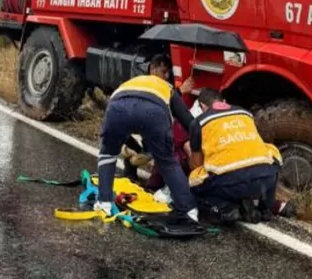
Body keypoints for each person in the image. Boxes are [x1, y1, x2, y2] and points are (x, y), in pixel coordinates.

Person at [96, 54, 199, 222]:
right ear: (152, 69)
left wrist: (123, 143)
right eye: (165, 72)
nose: (166, 76)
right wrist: (198, 144)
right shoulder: (167, 87)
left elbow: (112, 117)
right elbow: (189, 122)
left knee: (107, 156)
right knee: (167, 162)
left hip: (117, 106)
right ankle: (189, 211)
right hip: (154, 112)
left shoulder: (130, 82)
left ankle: (104, 204)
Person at [188, 88, 285, 224]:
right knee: (268, 153)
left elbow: (197, 164)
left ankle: (227, 208)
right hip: (266, 178)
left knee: (194, 182)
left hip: (230, 184)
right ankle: (265, 205)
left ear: (202, 106)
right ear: (224, 101)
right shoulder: (245, 114)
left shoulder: (199, 122)